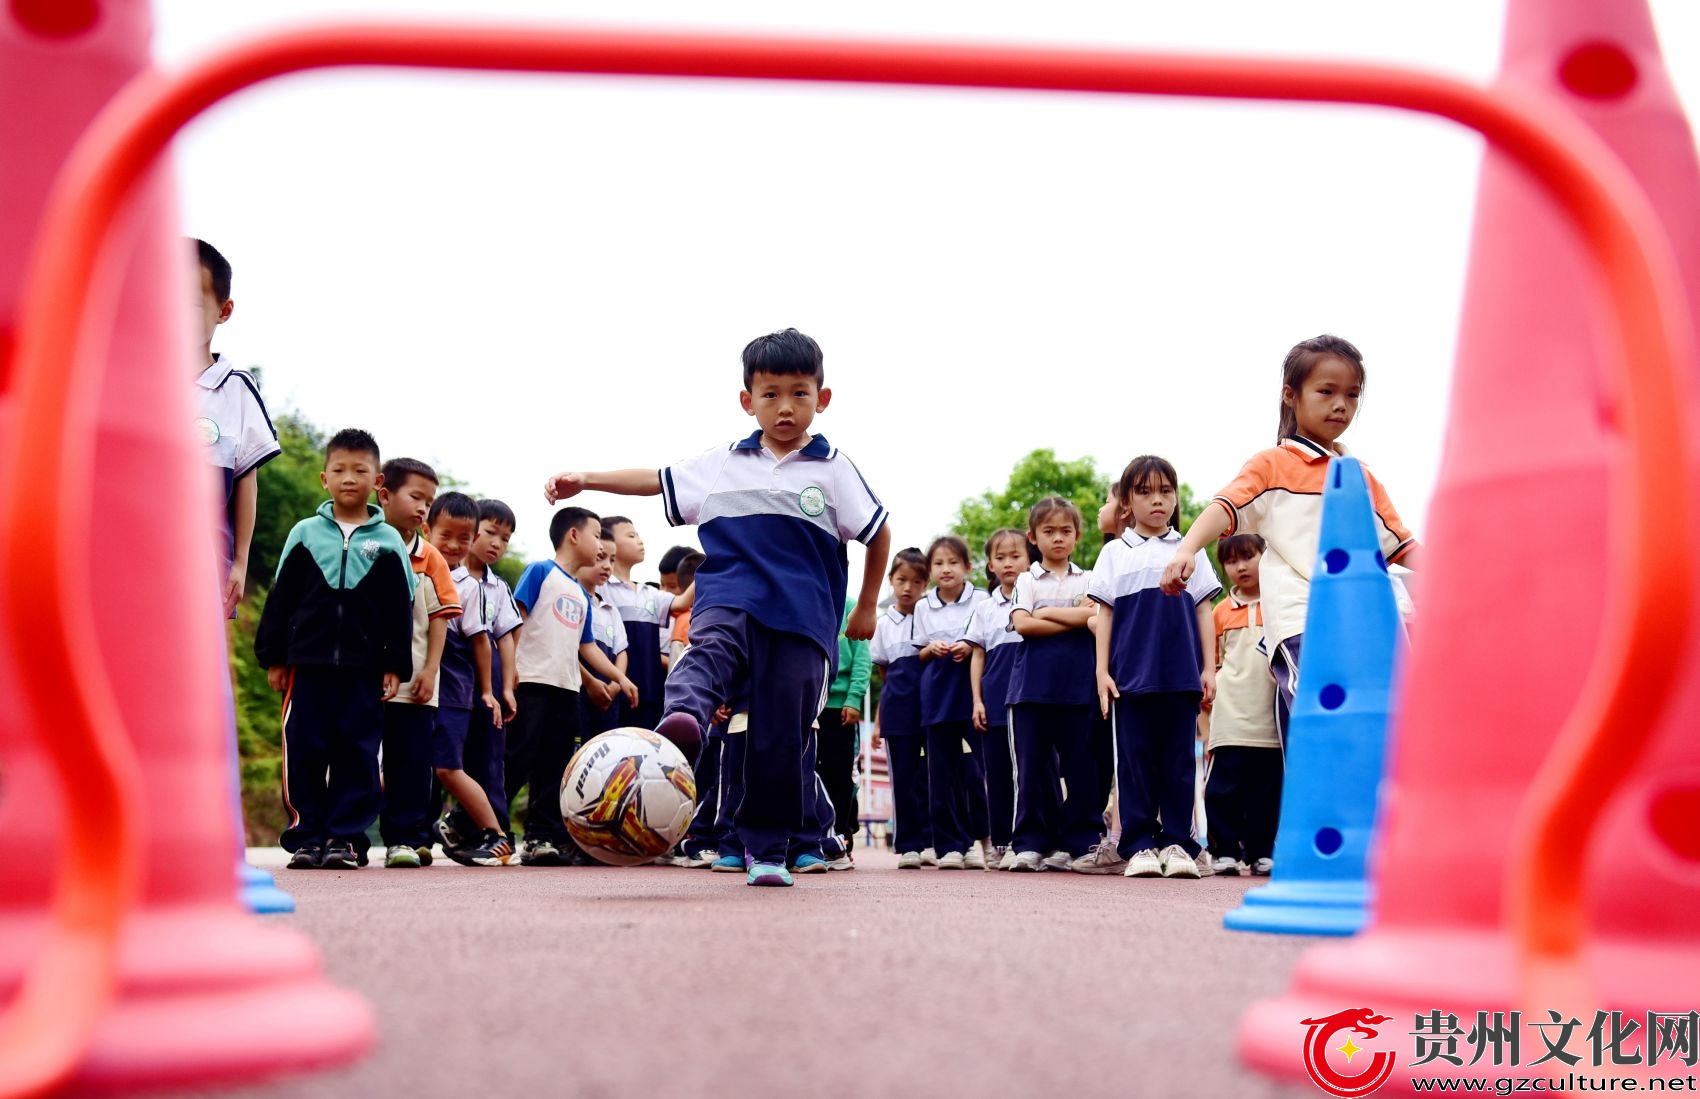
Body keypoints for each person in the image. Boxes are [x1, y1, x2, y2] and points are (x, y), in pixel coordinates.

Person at [542, 327, 890, 887]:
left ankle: (766, 847)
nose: (785, 406)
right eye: (770, 393)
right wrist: (589, 479)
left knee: (780, 734)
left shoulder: (832, 468)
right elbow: (655, 480)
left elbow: (878, 534)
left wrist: (868, 606)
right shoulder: (724, 463)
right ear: (747, 400)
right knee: (708, 651)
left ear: (822, 400)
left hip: (803, 619)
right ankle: (684, 720)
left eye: (799, 393)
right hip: (729, 594)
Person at [1160, 334, 1418, 742]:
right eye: (1327, 391)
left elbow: (1401, 545)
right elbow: (1225, 507)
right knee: (1321, 722)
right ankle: (1318, 801)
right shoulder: (1273, 465)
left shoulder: (1360, 476)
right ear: (1291, 395)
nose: (1341, 405)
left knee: (1391, 723)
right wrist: (1187, 550)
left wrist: (1460, 573)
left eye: (1352, 395)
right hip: (1304, 618)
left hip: (1370, 617)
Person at [255, 428, 413, 870]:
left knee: (358, 753)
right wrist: (275, 656)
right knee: (303, 748)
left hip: (364, 670)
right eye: (339, 469)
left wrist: (395, 664)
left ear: (377, 480)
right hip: (307, 665)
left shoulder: (388, 542)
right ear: (324, 478)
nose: (349, 477)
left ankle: (344, 838)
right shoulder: (305, 533)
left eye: (360, 470)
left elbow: (399, 608)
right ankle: (307, 836)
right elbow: (281, 597)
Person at [1091, 455, 1221, 880]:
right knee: (1133, 762)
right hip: (1130, 678)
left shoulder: (1191, 550)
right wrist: (1101, 671)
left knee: (1180, 763)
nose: (1157, 500)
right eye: (1144, 492)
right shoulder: (1113, 553)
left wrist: (1209, 668)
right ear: (1127, 501)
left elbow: (1205, 610)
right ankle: (1140, 844)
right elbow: (1104, 615)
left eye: (1165, 490)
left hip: (1181, 675)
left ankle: (1179, 844)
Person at [505, 506, 640, 866]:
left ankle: (540, 837)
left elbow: (587, 646)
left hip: (566, 689)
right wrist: (509, 672)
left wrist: (620, 678)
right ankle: (480, 824)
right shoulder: (540, 572)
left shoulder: (581, 594)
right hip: (532, 681)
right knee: (518, 756)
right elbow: (515, 619)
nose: (600, 545)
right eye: (596, 535)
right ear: (573, 535)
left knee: (554, 765)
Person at [1001, 499, 1106, 874]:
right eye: (1048, 531)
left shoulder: (1091, 578)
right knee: (1031, 769)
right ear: (1033, 537)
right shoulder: (1026, 579)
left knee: (1082, 768)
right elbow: (1023, 625)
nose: (1058, 538)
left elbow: (1097, 616)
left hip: (1079, 688)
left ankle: (1080, 842)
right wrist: (1076, 618)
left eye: (1065, 531)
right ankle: (1030, 843)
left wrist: (1045, 612)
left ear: (1077, 536)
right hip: (1030, 689)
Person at [375, 458, 463, 869]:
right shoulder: (364, 545)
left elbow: (440, 618)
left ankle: (405, 839)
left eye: (429, 501)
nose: (423, 508)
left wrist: (429, 671)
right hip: (363, 678)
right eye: (416, 497)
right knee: (355, 759)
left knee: (410, 764)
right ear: (385, 493)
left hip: (414, 683)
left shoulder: (431, 558)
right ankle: (347, 837)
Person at [191, 238, 280, 618]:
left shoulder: (235, 389)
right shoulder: (134, 379)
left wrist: (240, 562)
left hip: (203, 566)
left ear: (223, 310)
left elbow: (246, 477)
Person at [424, 491, 513, 867]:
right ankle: (414, 836)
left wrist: (494, 690)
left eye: (465, 537)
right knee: (414, 764)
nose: (456, 545)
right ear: (428, 530)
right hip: (420, 688)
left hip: (457, 688)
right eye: (447, 536)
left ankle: (496, 835)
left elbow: (488, 640)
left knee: (454, 765)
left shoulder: (472, 586)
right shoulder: (414, 569)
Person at [1203, 533, 1281, 876]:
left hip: (1271, 715)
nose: (1240, 566)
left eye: (1248, 557)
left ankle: (1261, 850)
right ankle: (1225, 851)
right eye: (1231, 561)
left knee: (1268, 788)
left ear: (1266, 556)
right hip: (1230, 713)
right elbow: (1213, 662)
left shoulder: (1282, 605)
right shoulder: (1219, 612)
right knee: (1224, 786)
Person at [913, 535, 990, 870]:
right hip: (938, 693)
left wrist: (967, 645)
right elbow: (920, 651)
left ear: (967, 567)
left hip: (975, 691)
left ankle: (988, 840)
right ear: (930, 571)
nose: (946, 569)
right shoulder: (922, 605)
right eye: (939, 563)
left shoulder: (982, 600)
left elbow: (986, 642)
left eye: (953, 562)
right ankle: (950, 846)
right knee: (941, 774)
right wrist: (935, 648)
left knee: (983, 771)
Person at [965, 529, 1026, 870]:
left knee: (1032, 774)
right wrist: (977, 700)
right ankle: (1001, 842)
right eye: (1000, 558)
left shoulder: (1037, 597)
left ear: (1029, 557)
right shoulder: (985, 609)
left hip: (1029, 703)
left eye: (1015, 556)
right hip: (995, 705)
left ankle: (1031, 840)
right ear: (989, 565)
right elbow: (977, 656)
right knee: (998, 776)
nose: (1008, 564)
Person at [870, 548, 931, 868]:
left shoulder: (931, 616)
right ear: (891, 581)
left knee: (932, 777)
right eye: (901, 580)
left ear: (926, 584)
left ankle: (934, 840)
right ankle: (908, 844)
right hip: (898, 710)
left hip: (932, 707)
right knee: (904, 779)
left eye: (917, 581)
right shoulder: (883, 624)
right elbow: (884, 672)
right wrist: (880, 721)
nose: (908, 587)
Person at [600, 517, 676, 729]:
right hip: (614, 691)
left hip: (650, 691)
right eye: (631, 535)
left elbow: (681, 602)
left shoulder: (650, 593)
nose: (640, 541)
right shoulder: (601, 587)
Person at [816, 597, 871, 869]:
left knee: (840, 777)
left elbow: (862, 658)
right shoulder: (809, 601)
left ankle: (841, 837)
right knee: (811, 774)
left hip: (840, 709)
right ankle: (813, 838)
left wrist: (854, 698)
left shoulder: (850, 606)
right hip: (812, 705)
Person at [578, 526, 631, 738]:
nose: (607, 566)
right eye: (600, 557)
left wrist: (616, 683)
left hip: (609, 696)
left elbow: (622, 651)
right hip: (580, 691)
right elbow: (566, 649)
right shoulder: (572, 599)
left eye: (612, 559)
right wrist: (590, 682)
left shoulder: (611, 611)